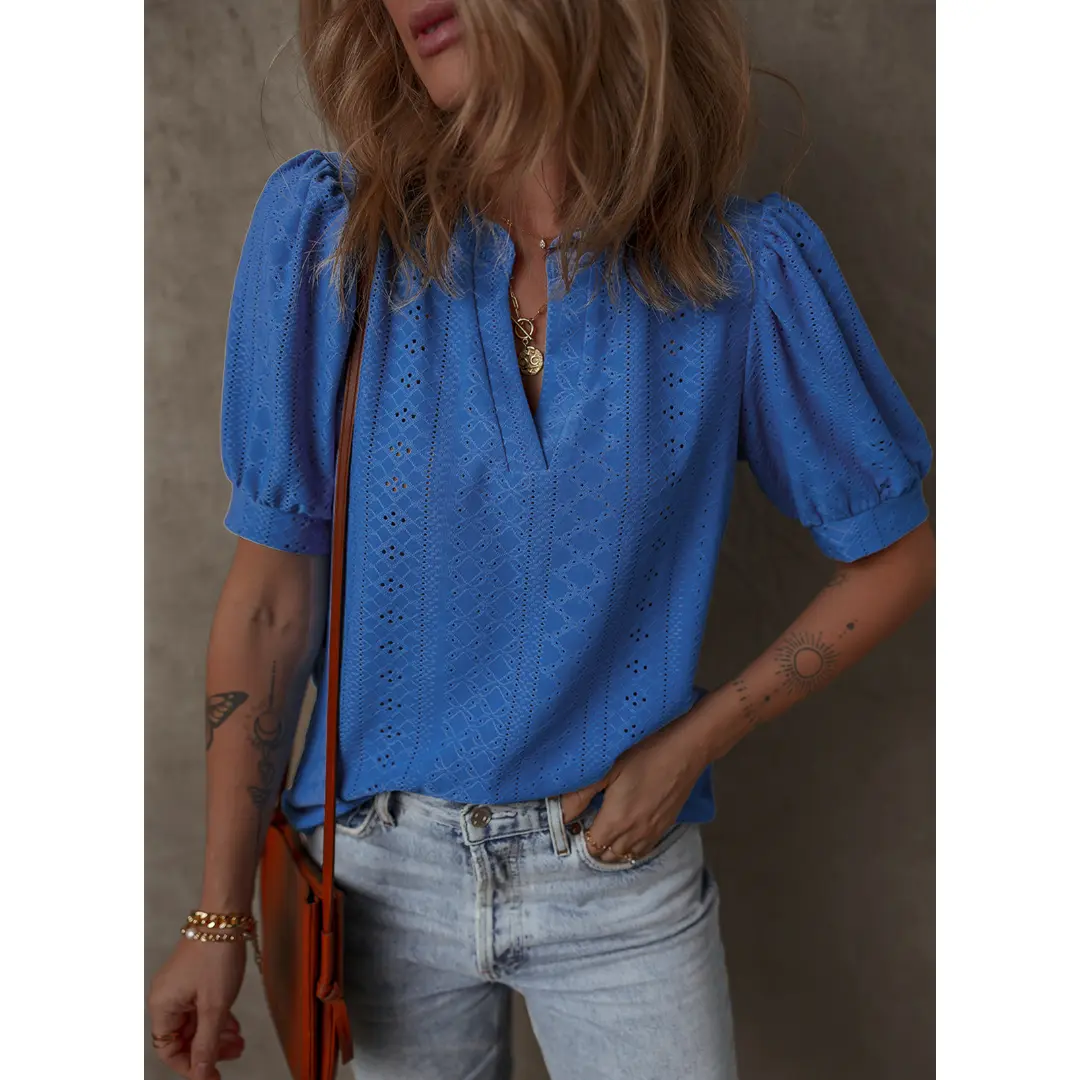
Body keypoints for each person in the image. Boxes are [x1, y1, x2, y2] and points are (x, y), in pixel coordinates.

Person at [148, 1, 936, 1077]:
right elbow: (269, 603)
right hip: (376, 877)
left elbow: (902, 549)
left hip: (617, 876)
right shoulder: (335, 243)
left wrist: (696, 740)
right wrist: (217, 918)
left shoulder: (738, 272)